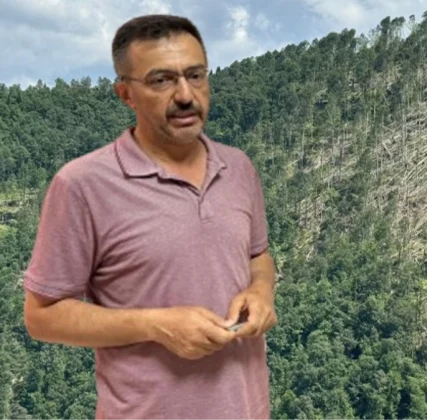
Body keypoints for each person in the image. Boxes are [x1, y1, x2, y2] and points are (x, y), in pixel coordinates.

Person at [22, 14, 277, 420]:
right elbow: (42, 317)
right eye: (161, 80)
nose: (185, 95)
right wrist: (155, 325)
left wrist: (261, 291)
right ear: (126, 93)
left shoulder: (239, 168)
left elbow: (257, 256)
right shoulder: (82, 184)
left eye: (195, 75)